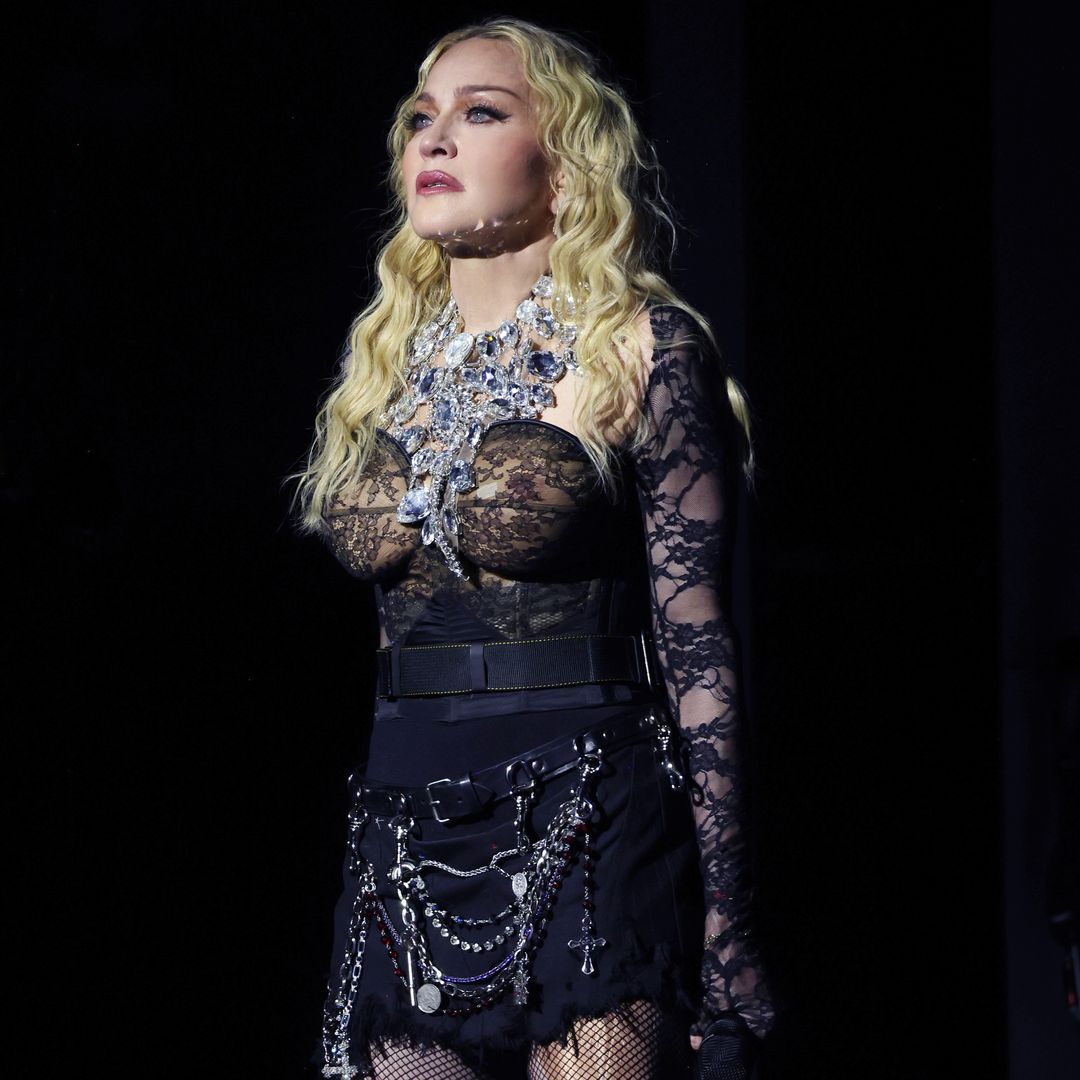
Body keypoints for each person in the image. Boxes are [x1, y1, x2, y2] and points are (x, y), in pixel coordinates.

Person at [292, 17, 775, 1079]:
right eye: (421, 118)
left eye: (480, 113)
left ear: (564, 162)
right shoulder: (383, 371)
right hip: (406, 820)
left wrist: (729, 925)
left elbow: (700, 650)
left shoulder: (641, 351)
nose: (434, 138)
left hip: (592, 808)